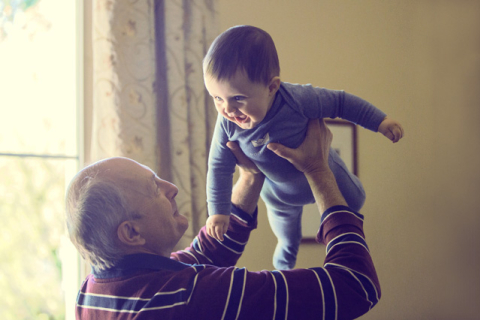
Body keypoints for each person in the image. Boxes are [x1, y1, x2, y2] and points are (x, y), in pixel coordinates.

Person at [66, 119, 380, 319]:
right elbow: (355, 286)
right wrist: (318, 171)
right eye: (154, 188)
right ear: (131, 233)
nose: (172, 188)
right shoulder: (192, 296)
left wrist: (250, 177)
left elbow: (203, 255)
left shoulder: (92, 292)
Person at [204, 25, 404, 269]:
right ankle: (284, 268)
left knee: (356, 200)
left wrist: (380, 121)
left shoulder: (297, 99)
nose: (227, 109)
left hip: (325, 170)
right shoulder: (226, 123)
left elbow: (341, 102)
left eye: (238, 98)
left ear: (271, 87)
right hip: (279, 195)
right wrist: (218, 211)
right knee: (287, 238)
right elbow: (218, 167)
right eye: (217, 98)